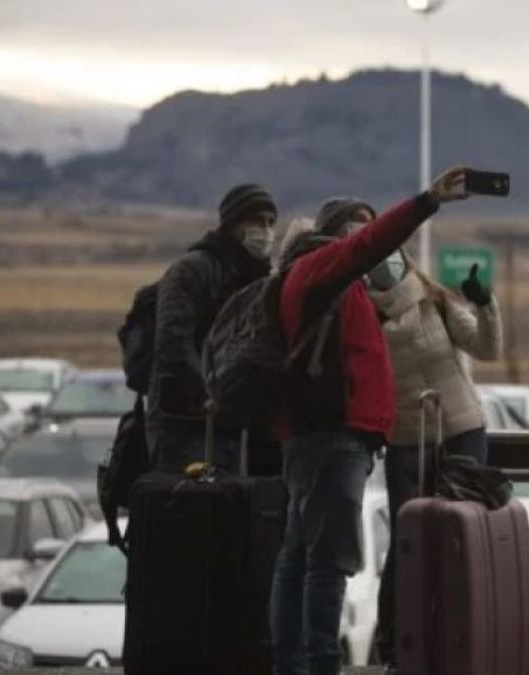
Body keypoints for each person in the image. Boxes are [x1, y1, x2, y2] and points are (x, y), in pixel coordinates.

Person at [269, 167, 469, 675]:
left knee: (299, 554)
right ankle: (319, 664)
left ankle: (291, 663)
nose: (364, 235)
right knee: (327, 564)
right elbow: (369, 245)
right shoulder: (321, 267)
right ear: (336, 234)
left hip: (324, 437)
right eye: (356, 226)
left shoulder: (321, 279)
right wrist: (427, 201)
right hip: (332, 438)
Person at [370, 251, 503, 668]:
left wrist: (485, 304)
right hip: (406, 439)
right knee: (408, 542)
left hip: (462, 430)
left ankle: (465, 639)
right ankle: (397, 647)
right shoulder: (359, 313)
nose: (386, 264)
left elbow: (487, 348)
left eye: (392, 254)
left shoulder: (435, 299)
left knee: (464, 536)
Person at [147, 183, 277, 474]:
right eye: (256, 221)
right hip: (186, 422)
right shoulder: (192, 271)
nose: (266, 231)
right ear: (233, 223)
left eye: (271, 222)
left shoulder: (261, 280)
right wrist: (211, 394)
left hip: (238, 426)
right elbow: (173, 343)